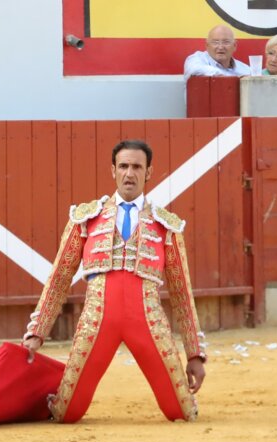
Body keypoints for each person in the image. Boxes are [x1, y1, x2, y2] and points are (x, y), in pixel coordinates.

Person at [22, 140, 207, 424]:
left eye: (137, 167)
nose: (129, 173)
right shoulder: (87, 218)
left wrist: (195, 354)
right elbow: (59, 278)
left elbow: (181, 292)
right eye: (123, 166)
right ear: (113, 170)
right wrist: (37, 332)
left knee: (182, 412)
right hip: (97, 321)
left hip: (148, 322)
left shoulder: (165, 225)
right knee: (66, 413)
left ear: (148, 172)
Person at [183, 25, 249, 79]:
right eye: (215, 42)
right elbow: (194, 69)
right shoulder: (196, 59)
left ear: (234, 45)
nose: (220, 47)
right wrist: (229, 77)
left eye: (226, 42)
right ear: (207, 45)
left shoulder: (245, 70)